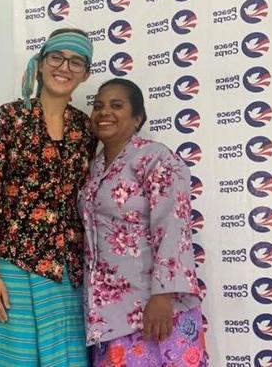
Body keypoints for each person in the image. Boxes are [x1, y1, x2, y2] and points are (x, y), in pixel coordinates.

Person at [0, 28, 97, 366]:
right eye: (57, 57)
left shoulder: (85, 129)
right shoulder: (9, 118)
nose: (64, 67)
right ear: (40, 64)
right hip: (13, 267)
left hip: (67, 273)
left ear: (85, 74)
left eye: (76, 61)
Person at [79, 79, 207, 367]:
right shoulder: (93, 168)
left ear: (138, 118)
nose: (104, 112)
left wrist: (163, 294)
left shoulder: (155, 157)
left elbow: (174, 225)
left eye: (116, 105)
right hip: (107, 317)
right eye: (98, 106)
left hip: (155, 311)